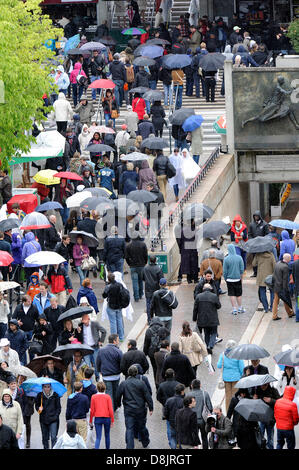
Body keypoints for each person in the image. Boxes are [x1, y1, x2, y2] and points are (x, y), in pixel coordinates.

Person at [115, 365, 153, 449]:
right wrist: (151, 407)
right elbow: (147, 396)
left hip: (128, 409)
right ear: (136, 373)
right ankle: (145, 441)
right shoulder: (141, 383)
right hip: (140, 409)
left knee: (129, 428)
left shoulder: (124, 383)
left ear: (128, 373)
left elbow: (118, 395)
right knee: (142, 426)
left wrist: (118, 404)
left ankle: (129, 446)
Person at [96, 334, 123, 411]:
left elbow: (98, 362)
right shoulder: (118, 351)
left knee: (108, 392)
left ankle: (110, 408)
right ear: (114, 341)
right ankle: (114, 407)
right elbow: (121, 363)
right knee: (115, 392)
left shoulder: (101, 350)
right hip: (116, 375)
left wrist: (99, 371)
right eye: (117, 340)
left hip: (106, 376)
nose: (118, 341)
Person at [76, 313, 107, 380]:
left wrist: (101, 341)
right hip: (85, 348)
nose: (85, 323)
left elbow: (104, 331)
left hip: (94, 347)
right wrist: (78, 332)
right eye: (83, 322)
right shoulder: (80, 326)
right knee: (87, 365)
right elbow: (79, 338)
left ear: (89, 319)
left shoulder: (95, 324)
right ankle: (90, 379)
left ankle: (97, 376)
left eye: (86, 322)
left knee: (96, 363)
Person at [193, 283, 221, 355]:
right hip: (213, 319)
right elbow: (219, 306)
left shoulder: (198, 296)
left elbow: (195, 309)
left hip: (202, 319)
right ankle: (210, 346)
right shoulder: (214, 296)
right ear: (211, 288)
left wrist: (194, 318)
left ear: (203, 289)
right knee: (214, 333)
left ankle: (207, 346)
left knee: (207, 333)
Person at [217, 340, 244, 412]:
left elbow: (219, 365)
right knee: (235, 397)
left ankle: (228, 413)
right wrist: (242, 376)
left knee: (228, 397)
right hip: (236, 378)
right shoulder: (238, 355)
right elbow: (242, 368)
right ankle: (235, 412)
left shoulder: (223, 354)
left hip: (226, 379)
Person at [185, 379, 212, 450]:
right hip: (203, 420)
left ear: (191, 386)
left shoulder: (188, 395)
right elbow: (210, 407)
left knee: (194, 438)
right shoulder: (205, 394)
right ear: (200, 385)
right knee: (204, 437)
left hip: (192, 421)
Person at [12, 295, 39, 360]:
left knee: (31, 348)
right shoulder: (18, 307)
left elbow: (38, 318)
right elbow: (13, 318)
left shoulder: (34, 307)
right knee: (22, 348)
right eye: (28, 301)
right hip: (21, 331)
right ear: (24, 302)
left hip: (30, 331)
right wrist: (17, 322)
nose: (30, 303)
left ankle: (32, 362)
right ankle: (23, 364)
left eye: (30, 301)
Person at [254, 382, 280, 449]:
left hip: (270, 418)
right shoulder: (258, 391)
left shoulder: (273, 391)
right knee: (260, 437)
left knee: (270, 438)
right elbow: (255, 405)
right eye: (261, 385)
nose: (261, 387)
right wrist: (254, 399)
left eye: (263, 385)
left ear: (267, 384)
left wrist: (271, 400)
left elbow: (279, 402)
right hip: (261, 417)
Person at [35, 383, 61, 449]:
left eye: (48, 387)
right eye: (45, 387)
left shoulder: (55, 395)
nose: (47, 388)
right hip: (43, 419)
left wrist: (56, 416)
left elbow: (58, 408)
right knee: (45, 438)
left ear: (51, 387)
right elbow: (36, 405)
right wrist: (39, 409)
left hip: (53, 419)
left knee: (53, 437)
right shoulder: (39, 395)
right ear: (42, 387)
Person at [89, 381, 114, 449]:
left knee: (98, 437)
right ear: (104, 388)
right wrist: (112, 420)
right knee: (107, 436)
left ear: (97, 388)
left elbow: (92, 410)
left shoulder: (93, 397)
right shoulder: (108, 397)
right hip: (107, 418)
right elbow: (111, 410)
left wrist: (91, 420)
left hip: (98, 418)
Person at [102, 273, 125, 342]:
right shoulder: (120, 285)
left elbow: (104, 295)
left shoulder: (108, 287)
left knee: (113, 322)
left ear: (108, 279)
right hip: (119, 306)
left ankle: (114, 338)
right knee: (120, 320)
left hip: (111, 306)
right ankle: (121, 337)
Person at [223, 244, 245, 315]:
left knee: (231, 294)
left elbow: (225, 271)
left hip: (229, 279)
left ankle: (234, 309)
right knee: (238, 294)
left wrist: (225, 278)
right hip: (237, 278)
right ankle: (240, 307)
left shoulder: (226, 259)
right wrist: (241, 278)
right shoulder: (239, 258)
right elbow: (242, 269)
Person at [272, 253, 295, 321]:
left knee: (276, 301)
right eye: (290, 258)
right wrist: (287, 289)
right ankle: (289, 313)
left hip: (276, 285)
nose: (291, 259)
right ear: (288, 259)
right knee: (286, 300)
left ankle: (275, 315)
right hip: (282, 287)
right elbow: (285, 279)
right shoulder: (285, 267)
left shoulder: (278, 263)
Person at [125, 237, 148, 302]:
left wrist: (129, 264)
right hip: (141, 265)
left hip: (133, 266)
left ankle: (136, 296)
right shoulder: (143, 244)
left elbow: (126, 257)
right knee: (140, 280)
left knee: (135, 281)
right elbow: (145, 255)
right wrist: (145, 262)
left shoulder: (128, 246)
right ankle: (141, 294)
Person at [163, 383, 185, 449]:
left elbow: (165, 412)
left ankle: (174, 447)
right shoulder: (184, 401)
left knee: (172, 437)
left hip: (171, 422)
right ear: (182, 392)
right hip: (180, 423)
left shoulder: (169, 400)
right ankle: (178, 446)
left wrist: (167, 418)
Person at [143, 256, 163, 324]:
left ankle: (149, 319)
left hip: (148, 289)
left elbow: (143, 277)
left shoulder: (145, 268)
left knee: (148, 305)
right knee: (157, 305)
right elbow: (161, 279)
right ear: (155, 260)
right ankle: (157, 320)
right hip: (156, 289)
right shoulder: (158, 268)